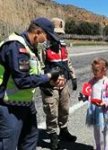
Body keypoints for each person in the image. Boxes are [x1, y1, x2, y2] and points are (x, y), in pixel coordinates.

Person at [0, 17, 64, 150]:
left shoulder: (31, 48)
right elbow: (22, 81)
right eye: (46, 36)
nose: (46, 41)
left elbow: (34, 76)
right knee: (8, 146)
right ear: (38, 32)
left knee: (30, 142)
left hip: (26, 104)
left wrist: (51, 82)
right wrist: (48, 76)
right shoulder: (15, 46)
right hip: (8, 107)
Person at [40, 17, 77, 150]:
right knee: (52, 112)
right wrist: (43, 84)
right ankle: (53, 136)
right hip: (50, 85)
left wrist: (73, 77)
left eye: (60, 33)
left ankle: (64, 131)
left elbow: (68, 62)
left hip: (64, 84)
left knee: (65, 109)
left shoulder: (63, 46)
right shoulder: (43, 47)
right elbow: (39, 67)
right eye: (56, 32)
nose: (58, 35)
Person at [85, 57, 108, 150]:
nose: (94, 72)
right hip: (94, 110)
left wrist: (105, 103)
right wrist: (84, 96)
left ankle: (106, 148)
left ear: (104, 70)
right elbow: (88, 92)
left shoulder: (107, 82)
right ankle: (98, 147)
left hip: (105, 111)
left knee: (106, 130)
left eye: (96, 70)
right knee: (96, 130)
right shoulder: (92, 81)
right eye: (93, 70)